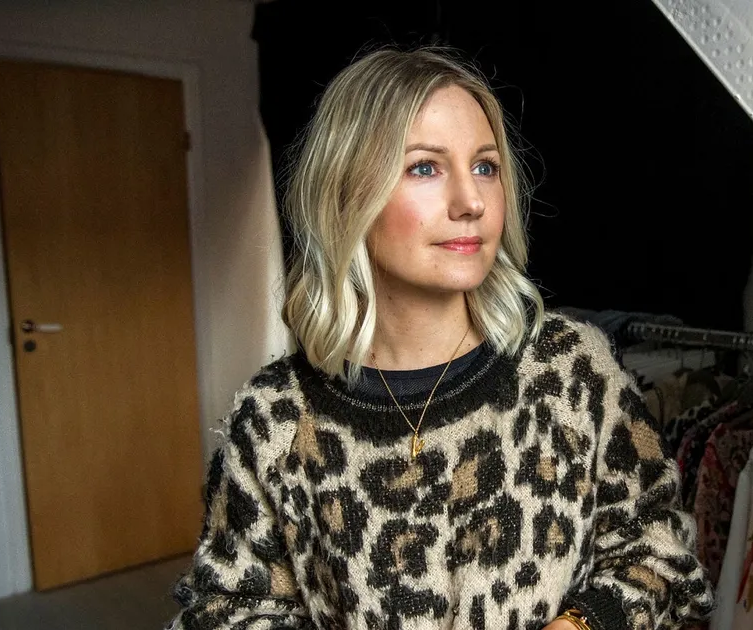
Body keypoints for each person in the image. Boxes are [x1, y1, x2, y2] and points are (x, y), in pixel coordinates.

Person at [167, 48, 713, 630]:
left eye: (486, 167)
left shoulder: (571, 371)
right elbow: (226, 612)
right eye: (425, 167)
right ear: (348, 191)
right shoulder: (276, 420)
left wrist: (576, 627)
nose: (470, 201)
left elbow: (660, 551)